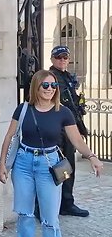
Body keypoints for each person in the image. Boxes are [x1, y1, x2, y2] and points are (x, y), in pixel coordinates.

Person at [0, 69, 103, 237]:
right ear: (36, 87)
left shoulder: (63, 112)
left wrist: (92, 156)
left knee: (50, 218)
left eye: (53, 85)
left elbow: (76, 139)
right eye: (45, 85)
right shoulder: (23, 109)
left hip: (49, 165)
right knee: (25, 213)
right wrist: (2, 164)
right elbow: (9, 136)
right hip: (23, 164)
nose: (50, 89)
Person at [48, 45, 90, 217]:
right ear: (52, 59)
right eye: (59, 57)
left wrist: (79, 128)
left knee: (68, 167)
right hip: (58, 130)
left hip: (69, 128)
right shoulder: (51, 77)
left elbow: (74, 106)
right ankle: (53, 203)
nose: (63, 60)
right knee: (56, 167)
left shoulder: (67, 77)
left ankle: (66, 202)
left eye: (65, 57)